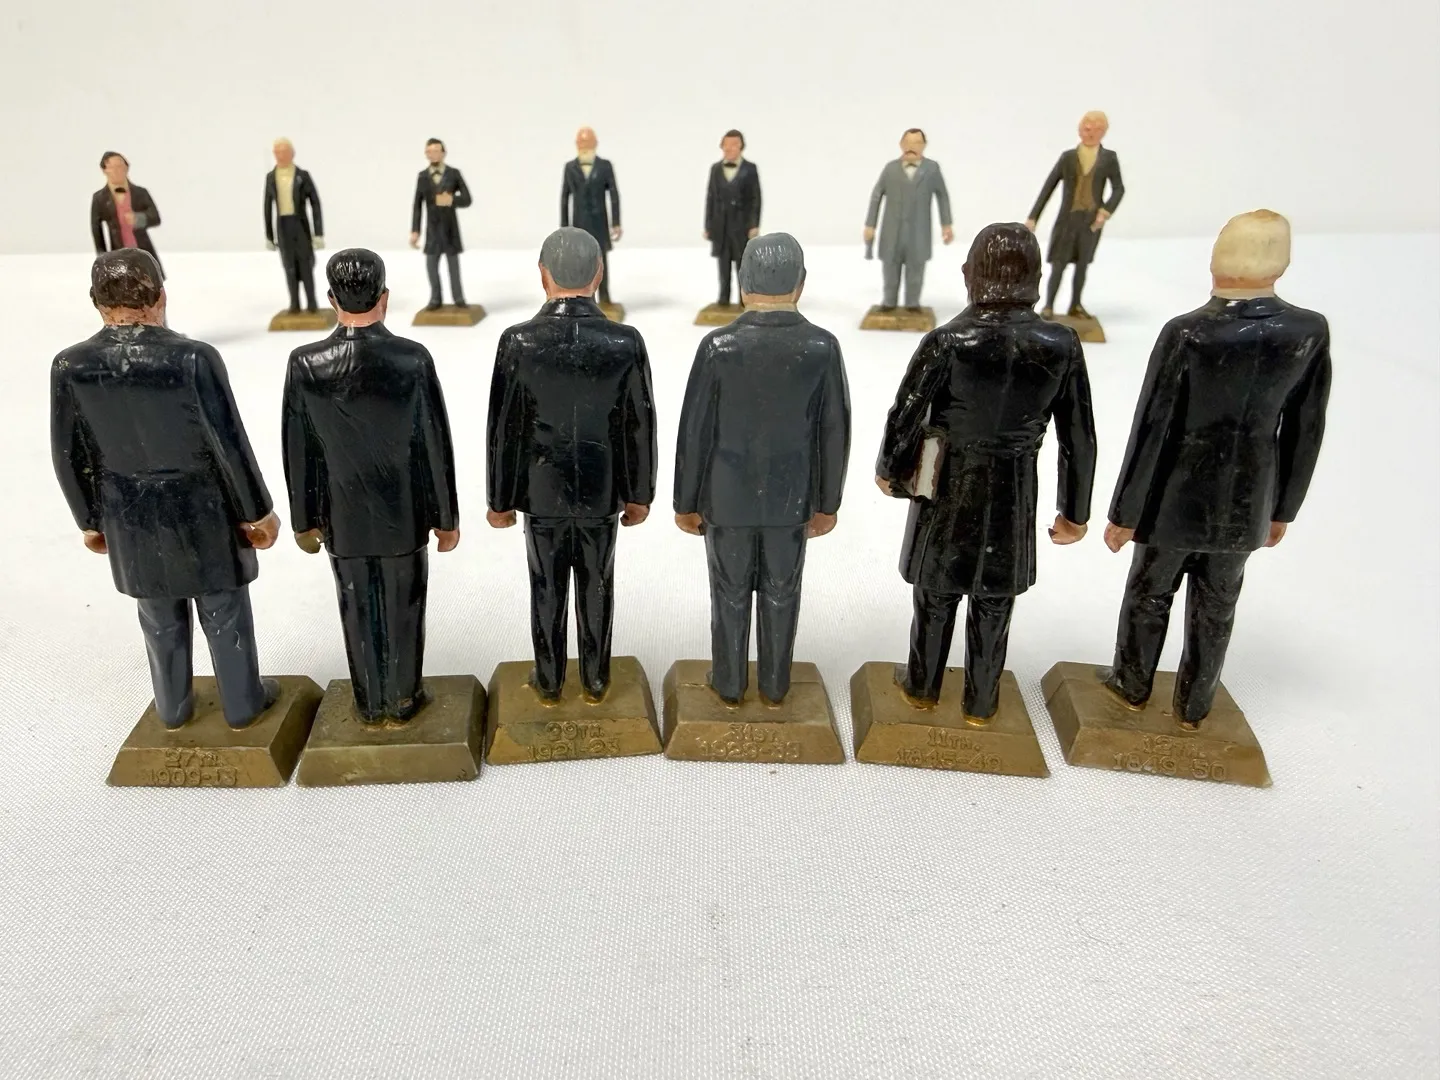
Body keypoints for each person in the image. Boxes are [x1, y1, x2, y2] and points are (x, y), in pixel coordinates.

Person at [1102, 210, 1331, 726]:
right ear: (1281, 264)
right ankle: (1195, 703)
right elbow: (1305, 430)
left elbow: (1151, 428)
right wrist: (1283, 508)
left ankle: (1131, 684)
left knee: (1150, 593)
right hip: (1249, 499)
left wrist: (1126, 512)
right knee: (1218, 603)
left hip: (1174, 496)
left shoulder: (1189, 332)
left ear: (1218, 260)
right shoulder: (1306, 331)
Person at [875, 222, 1097, 719]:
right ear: (1036, 277)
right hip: (1014, 494)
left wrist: (890, 468)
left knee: (935, 596)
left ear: (970, 274)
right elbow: (1079, 437)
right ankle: (981, 699)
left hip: (949, 486)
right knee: (995, 603)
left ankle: (923, 686)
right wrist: (1074, 511)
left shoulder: (949, 340)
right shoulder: (1060, 343)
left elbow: (906, 411)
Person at [51, 249, 279, 729]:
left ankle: (173, 709)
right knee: (223, 612)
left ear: (96, 302)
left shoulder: (71, 365)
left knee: (158, 619)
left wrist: (89, 520)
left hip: (129, 517)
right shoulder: (192, 358)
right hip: (203, 511)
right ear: (160, 297)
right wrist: (257, 511)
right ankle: (242, 705)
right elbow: (228, 442)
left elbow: (68, 455)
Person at [281, 249, 460, 722]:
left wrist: (303, 520)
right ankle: (403, 698)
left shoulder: (306, 364)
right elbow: (434, 445)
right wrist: (445, 517)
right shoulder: (412, 359)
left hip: (341, 517)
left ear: (330, 298)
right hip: (403, 515)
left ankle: (369, 700)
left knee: (356, 610)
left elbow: (298, 452)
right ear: (384, 297)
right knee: (405, 610)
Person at [674, 233, 851, 705]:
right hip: (792, 500)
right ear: (801, 283)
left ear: (742, 282)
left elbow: (694, 431)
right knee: (782, 592)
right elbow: (834, 432)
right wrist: (828, 502)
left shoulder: (718, 347)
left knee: (729, 592)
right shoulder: (822, 347)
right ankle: (775, 683)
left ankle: (729, 681)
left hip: (726, 498)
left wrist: (685, 501)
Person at [486, 227, 657, 700]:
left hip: (541, 492)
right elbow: (639, 426)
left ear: (543, 275)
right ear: (598, 274)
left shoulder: (518, 342)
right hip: (602, 492)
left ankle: (549, 678)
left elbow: (503, 430)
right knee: (597, 585)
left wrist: (499, 499)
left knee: (545, 586)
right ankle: (596, 678)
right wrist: (640, 493)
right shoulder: (624, 341)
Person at [1025, 111, 1125, 320]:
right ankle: (1049, 305)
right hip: (1067, 221)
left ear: (1103, 132)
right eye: (1087, 129)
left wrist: (1105, 211)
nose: (1090, 134)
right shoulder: (1068, 157)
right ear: (1080, 130)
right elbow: (1048, 187)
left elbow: (1118, 189)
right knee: (1058, 265)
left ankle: (1075, 304)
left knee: (1082, 265)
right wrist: (1034, 217)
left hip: (1090, 222)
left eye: (1096, 130)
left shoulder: (1108, 158)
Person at [863, 128, 955, 310]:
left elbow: (942, 196)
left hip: (919, 231)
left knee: (916, 268)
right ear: (901, 144)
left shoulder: (932, 169)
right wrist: (870, 225)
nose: (911, 147)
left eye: (916, 143)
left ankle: (912, 304)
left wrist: (946, 225)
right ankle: (889, 302)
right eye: (907, 142)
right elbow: (876, 195)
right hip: (892, 231)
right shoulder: (890, 169)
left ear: (924, 145)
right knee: (890, 268)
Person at [560, 127, 622, 304]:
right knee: (581, 263)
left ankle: (605, 298)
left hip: (599, 223)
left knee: (601, 261)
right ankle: (585, 300)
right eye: (581, 143)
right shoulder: (570, 168)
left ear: (595, 144)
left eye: (588, 143)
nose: (585, 147)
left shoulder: (605, 166)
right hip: (579, 224)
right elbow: (564, 198)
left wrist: (616, 223)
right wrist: (564, 227)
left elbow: (614, 195)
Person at [409, 138, 472, 309]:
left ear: (443, 153)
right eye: (429, 151)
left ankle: (459, 298)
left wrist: (451, 199)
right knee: (431, 265)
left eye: (436, 151)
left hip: (450, 228)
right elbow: (417, 205)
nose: (433, 154)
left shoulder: (454, 173)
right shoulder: (423, 176)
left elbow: (467, 199)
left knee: (453, 266)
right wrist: (415, 230)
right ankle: (435, 299)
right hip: (432, 229)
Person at [263, 137, 324, 313]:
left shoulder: (302, 176)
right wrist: (269, 236)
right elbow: (267, 207)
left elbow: (315, 203)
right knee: (289, 266)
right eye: (277, 153)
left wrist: (318, 233)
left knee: (305, 264)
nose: (280, 156)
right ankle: (294, 303)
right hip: (283, 226)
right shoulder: (271, 177)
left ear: (292, 153)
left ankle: (311, 303)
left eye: (283, 152)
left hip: (300, 225)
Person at [703, 129, 761, 306]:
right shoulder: (715, 169)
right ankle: (723, 299)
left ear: (740, 147)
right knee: (723, 265)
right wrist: (708, 225)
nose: (728, 149)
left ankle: (744, 300)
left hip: (741, 226)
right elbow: (710, 198)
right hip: (721, 226)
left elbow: (755, 199)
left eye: (733, 145)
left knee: (742, 264)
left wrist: (754, 224)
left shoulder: (750, 169)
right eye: (725, 145)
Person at [90, 151, 163, 277]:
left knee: (150, 281)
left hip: (143, 251)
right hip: (118, 253)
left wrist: (139, 219)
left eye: (120, 166)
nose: (117, 171)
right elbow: (96, 230)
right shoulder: (99, 198)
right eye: (112, 167)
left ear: (127, 168)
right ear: (104, 170)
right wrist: (102, 258)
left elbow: (155, 217)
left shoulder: (141, 193)